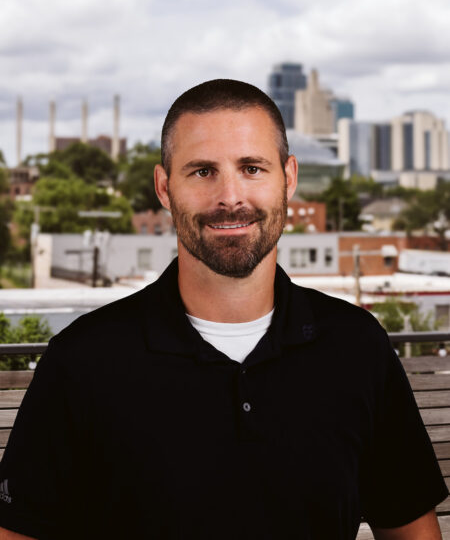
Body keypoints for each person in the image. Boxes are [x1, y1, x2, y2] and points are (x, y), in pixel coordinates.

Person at [0, 79, 447, 540]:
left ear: (288, 178)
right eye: (202, 171)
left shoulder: (357, 346)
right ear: (163, 187)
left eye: (252, 168)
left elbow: (411, 531)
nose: (230, 197)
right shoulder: (81, 360)